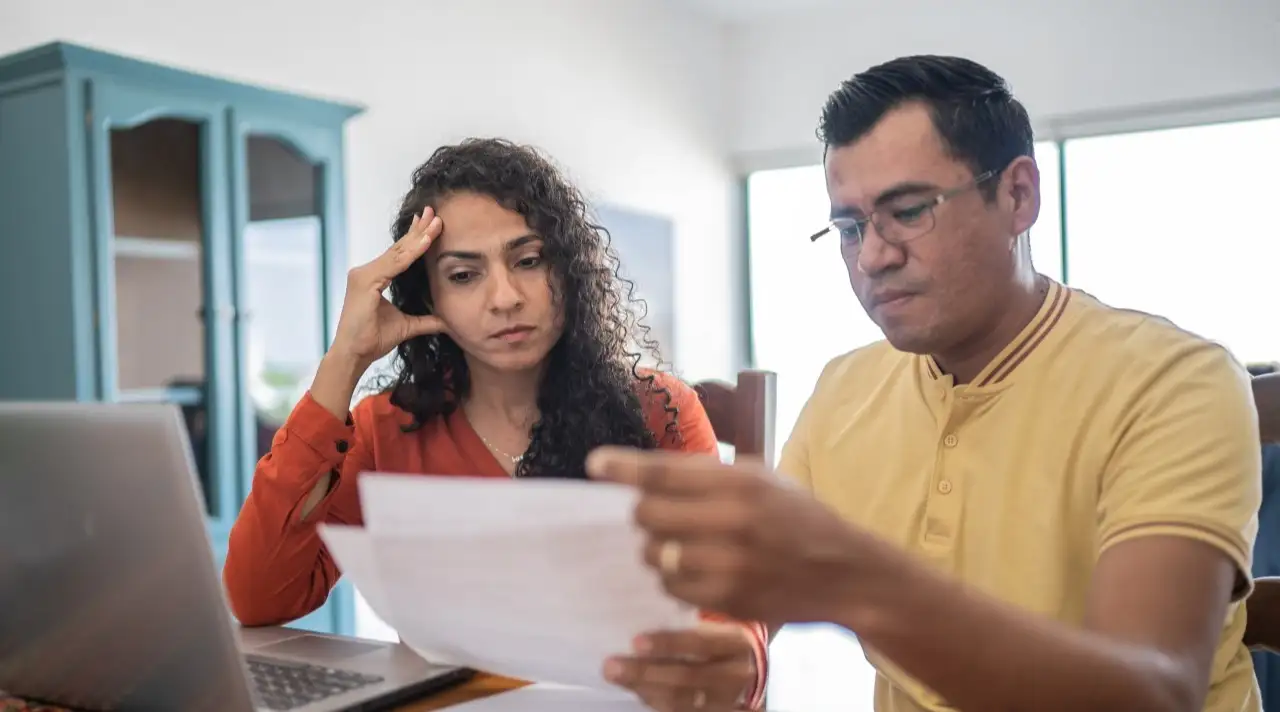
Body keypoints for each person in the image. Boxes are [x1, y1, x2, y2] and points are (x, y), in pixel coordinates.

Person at [586, 55, 1262, 712]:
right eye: (850, 227)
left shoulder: (1174, 382)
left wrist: (856, 582)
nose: (874, 255)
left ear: (1018, 195)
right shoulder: (844, 390)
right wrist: (729, 655)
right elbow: (755, 617)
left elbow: (1151, 694)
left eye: (908, 210)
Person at [222, 138, 768, 711]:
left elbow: (731, 639)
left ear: (569, 269)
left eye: (528, 261)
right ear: (425, 295)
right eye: (463, 275)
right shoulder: (386, 429)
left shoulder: (660, 410)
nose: (504, 298)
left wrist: (730, 662)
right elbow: (261, 598)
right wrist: (343, 363)